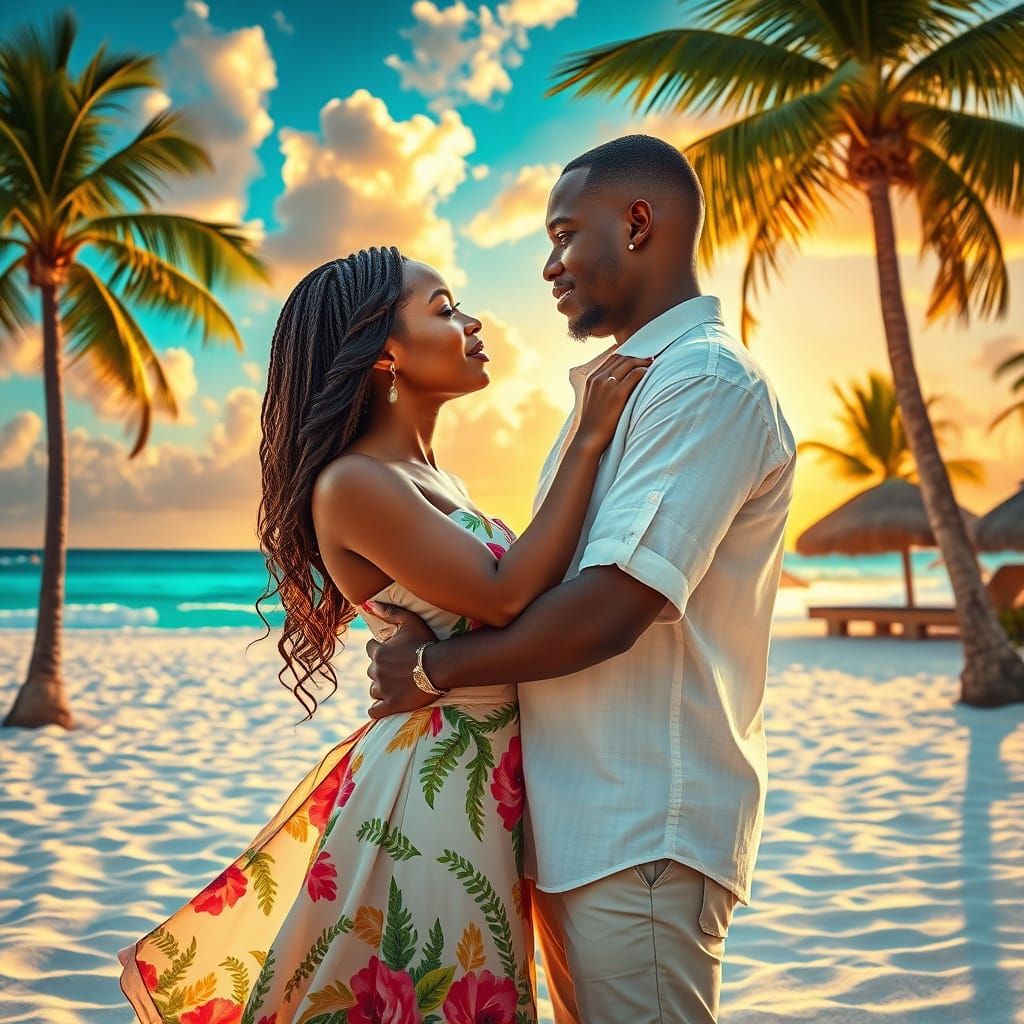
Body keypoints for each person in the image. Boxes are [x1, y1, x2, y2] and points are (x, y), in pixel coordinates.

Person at [117, 247, 651, 1024]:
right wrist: (588, 440)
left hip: (479, 782)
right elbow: (504, 596)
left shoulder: (434, 480)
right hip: (433, 794)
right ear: (383, 353)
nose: (470, 322)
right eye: (442, 308)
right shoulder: (355, 482)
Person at [365, 135, 797, 1023]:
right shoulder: (624, 392)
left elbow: (609, 610)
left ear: (638, 224)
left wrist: (432, 671)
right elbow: (538, 584)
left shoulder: (703, 381)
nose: (550, 265)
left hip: (638, 825)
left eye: (565, 234)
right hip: (580, 829)